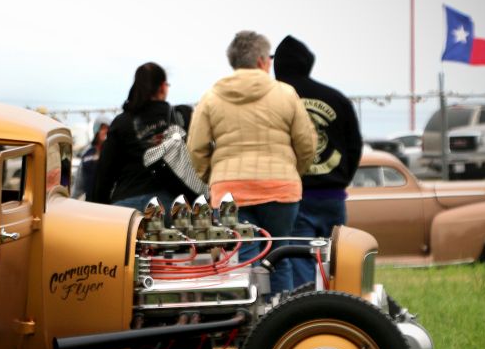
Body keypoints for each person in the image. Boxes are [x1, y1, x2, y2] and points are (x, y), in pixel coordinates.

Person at [188, 31, 317, 294]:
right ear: (261, 61)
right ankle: (281, 324)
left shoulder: (211, 96)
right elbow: (307, 144)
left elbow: (196, 147)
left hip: (230, 193)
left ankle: (244, 325)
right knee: (280, 258)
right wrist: (294, 172)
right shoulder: (286, 93)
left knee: (241, 260)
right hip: (281, 189)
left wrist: (213, 178)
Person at [274, 35, 363, 287]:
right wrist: (341, 178)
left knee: (300, 263)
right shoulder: (336, 98)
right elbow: (355, 145)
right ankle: (339, 311)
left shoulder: (275, 99)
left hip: (296, 196)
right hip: (333, 196)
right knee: (336, 263)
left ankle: (308, 316)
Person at [89, 62, 200, 209]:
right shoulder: (182, 116)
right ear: (162, 87)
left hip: (126, 206)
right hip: (172, 207)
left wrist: (99, 210)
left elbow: (104, 175)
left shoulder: (121, 122)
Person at [73, 119, 108, 199]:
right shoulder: (88, 153)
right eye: (102, 128)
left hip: (108, 203)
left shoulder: (112, 152)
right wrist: (73, 199)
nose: (105, 131)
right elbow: (79, 181)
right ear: (96, 130)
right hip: (90, 202)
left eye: (107, 128)